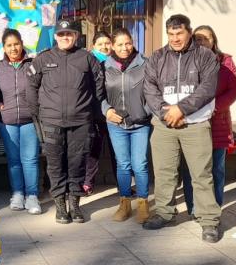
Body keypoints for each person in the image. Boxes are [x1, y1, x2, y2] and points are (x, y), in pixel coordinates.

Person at [142, 14, 221, 243]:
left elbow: (207, 89)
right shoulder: (157, 57)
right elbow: (149, 89)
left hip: (195, 125)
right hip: (164, 123)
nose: (175, 38)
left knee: (201, 175)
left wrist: (181, 110)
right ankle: (165, 213)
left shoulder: (205, 56)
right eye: (171, 34)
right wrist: (167, 112)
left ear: (189, 32)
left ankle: (209, 221)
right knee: (164, 172)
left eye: (180, 33)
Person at [27, 19, 105, 224]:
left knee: (77, 163)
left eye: (69, 34)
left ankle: (75, 205)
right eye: (61, 34)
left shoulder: (87, 58)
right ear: (55, 36)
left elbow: (98, 86)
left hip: (80, 122)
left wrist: (91, 112)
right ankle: (61, 206)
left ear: (76, 36)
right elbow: (31, 88)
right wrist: (39, 114)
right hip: (51, 122)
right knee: (55, 165)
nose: (65, 37)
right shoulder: (43, 59)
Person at [181, 25, 236, 216]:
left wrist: (213, 107)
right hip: (193, 121)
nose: (202, 42)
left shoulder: (225, 61)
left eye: (206, 38)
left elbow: (233, 89)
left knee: (216, 169)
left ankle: (214, 207)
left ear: (214, 40)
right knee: (193, 170)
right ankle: (194, 208)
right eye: (198, 39)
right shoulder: (186, 60)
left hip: (217, 122)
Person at [101, 28, 151, 223]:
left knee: (140, 164)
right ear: (112, 46)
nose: (124, 48)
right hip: (116, 123)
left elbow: (153, 92)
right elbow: (98, 94)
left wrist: (143, 113)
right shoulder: (104, 66)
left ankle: (143, 203)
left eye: (128, 43)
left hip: (140, 123)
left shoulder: (145, 64)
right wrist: (107, 110)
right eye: (120, 44)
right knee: (123, 164)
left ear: (133, 42)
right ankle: (124, 203)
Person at [0, 29, 41, 215]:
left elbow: (42, 87)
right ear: (4, 47)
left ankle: (32, 196)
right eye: (9, 45)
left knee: (31, 159)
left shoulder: (33, 63)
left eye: (16, 44)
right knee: (13, 159)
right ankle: (18, 194)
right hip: (7, 120)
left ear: (22, 43)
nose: (14, 48)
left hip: (30, 119)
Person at [85, 30, 115, 195]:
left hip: (113, 112)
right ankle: (88, 182)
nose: (104, 47)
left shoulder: (116, 61)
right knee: (93, 150)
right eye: (100, 44)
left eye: (107, 43)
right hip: (94, 113)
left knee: (117, 151)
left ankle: (123, 185)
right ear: (93, 46)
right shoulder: (89, 61)